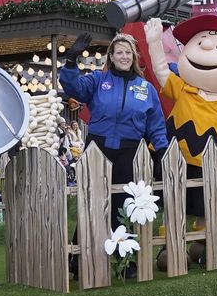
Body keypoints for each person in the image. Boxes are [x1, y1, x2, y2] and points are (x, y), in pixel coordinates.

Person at [60, 32, 169, 214]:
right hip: (98, 148)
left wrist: (163, 150)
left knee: (123, 205)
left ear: (134, 56)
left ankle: (122, 241)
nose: (124, 57)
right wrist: (71, 61)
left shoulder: (146, 88)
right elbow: (74, 88)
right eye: (119, 53)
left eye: (128, 52)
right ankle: (88, 240)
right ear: (111, 56)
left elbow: (156, 125)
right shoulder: (97, 79)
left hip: (129, 152)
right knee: (92, 202)